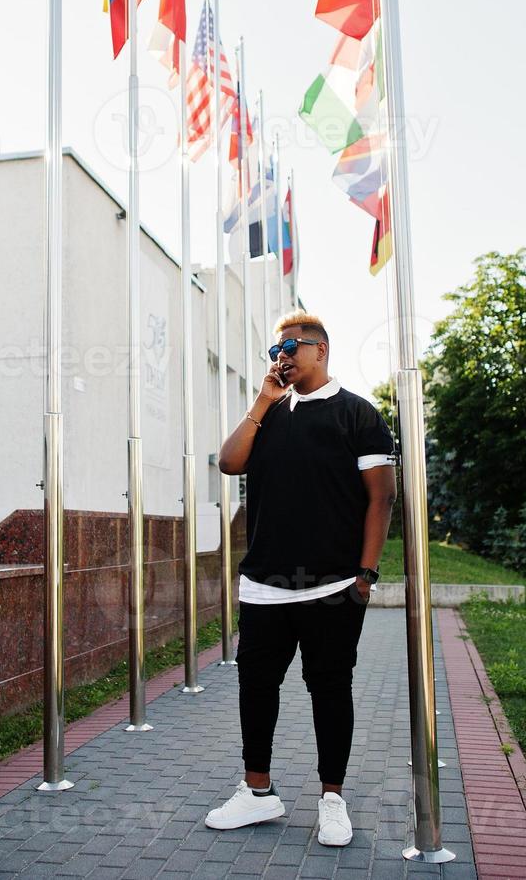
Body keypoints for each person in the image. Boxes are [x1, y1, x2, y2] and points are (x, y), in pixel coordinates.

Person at [203, 311, 397, 848]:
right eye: (275, 349)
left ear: (321, 350)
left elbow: (382, 497)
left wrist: (365, 574)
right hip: (264, 583)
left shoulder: (358, 415)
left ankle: (332, 799)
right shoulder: (268, 414)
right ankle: (257, 793)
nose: (281, 356)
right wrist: (263, 401)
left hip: (333, 585)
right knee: (256, 687)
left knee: (329, 690)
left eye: (291, 346)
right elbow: (227, 462)